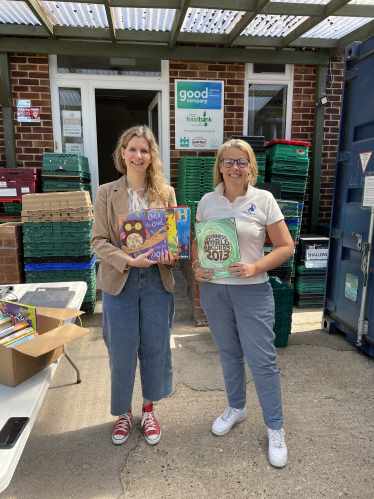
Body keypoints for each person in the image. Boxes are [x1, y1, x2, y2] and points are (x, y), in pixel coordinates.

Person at [191, 138, 294, 468]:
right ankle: (237, 407)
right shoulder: (208, 201)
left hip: (252, 291)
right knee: (229, 354)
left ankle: (275, 429)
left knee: (262, 361)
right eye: (228, 161)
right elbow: (198, 241)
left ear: (251, 166)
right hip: (214, 292)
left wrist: (254, 267)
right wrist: (196, 265)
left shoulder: (263, 199)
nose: (235, 168)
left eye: (242, 161)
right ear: (219, 166)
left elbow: (285, 246)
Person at [92, 125, 176, 446]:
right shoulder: (106, 192)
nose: (138, 155)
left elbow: (172, 242)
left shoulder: (164, 193)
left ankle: (149, 410)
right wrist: (128, 260)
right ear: (122, 153)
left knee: (155, 347)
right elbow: (98, 241)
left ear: (151, 156)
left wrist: (168, 256)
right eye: (132, 149)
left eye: (145, 150)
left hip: (156, 281)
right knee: (122, 351)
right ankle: (124, 413)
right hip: (120, 281)